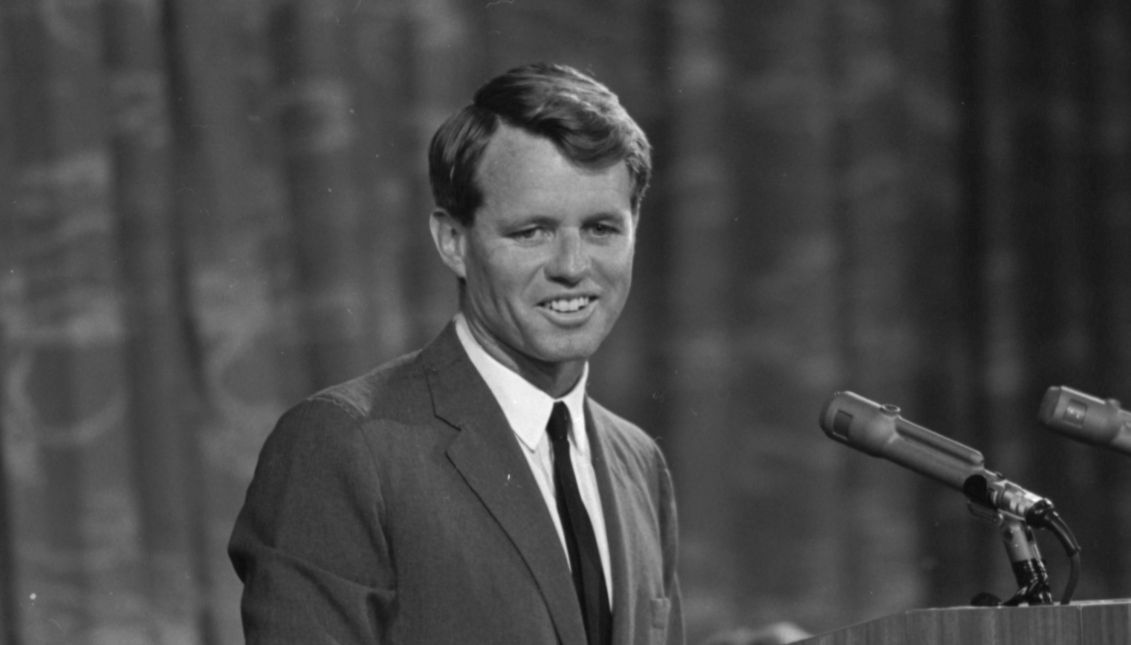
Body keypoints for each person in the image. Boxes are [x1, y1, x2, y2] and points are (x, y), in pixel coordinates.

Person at [229, 62, 683, 645]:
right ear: (452, 241)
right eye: (532, 232)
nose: (573, 267)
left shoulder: (639, 463)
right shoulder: (345, 446)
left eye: (600, 229)